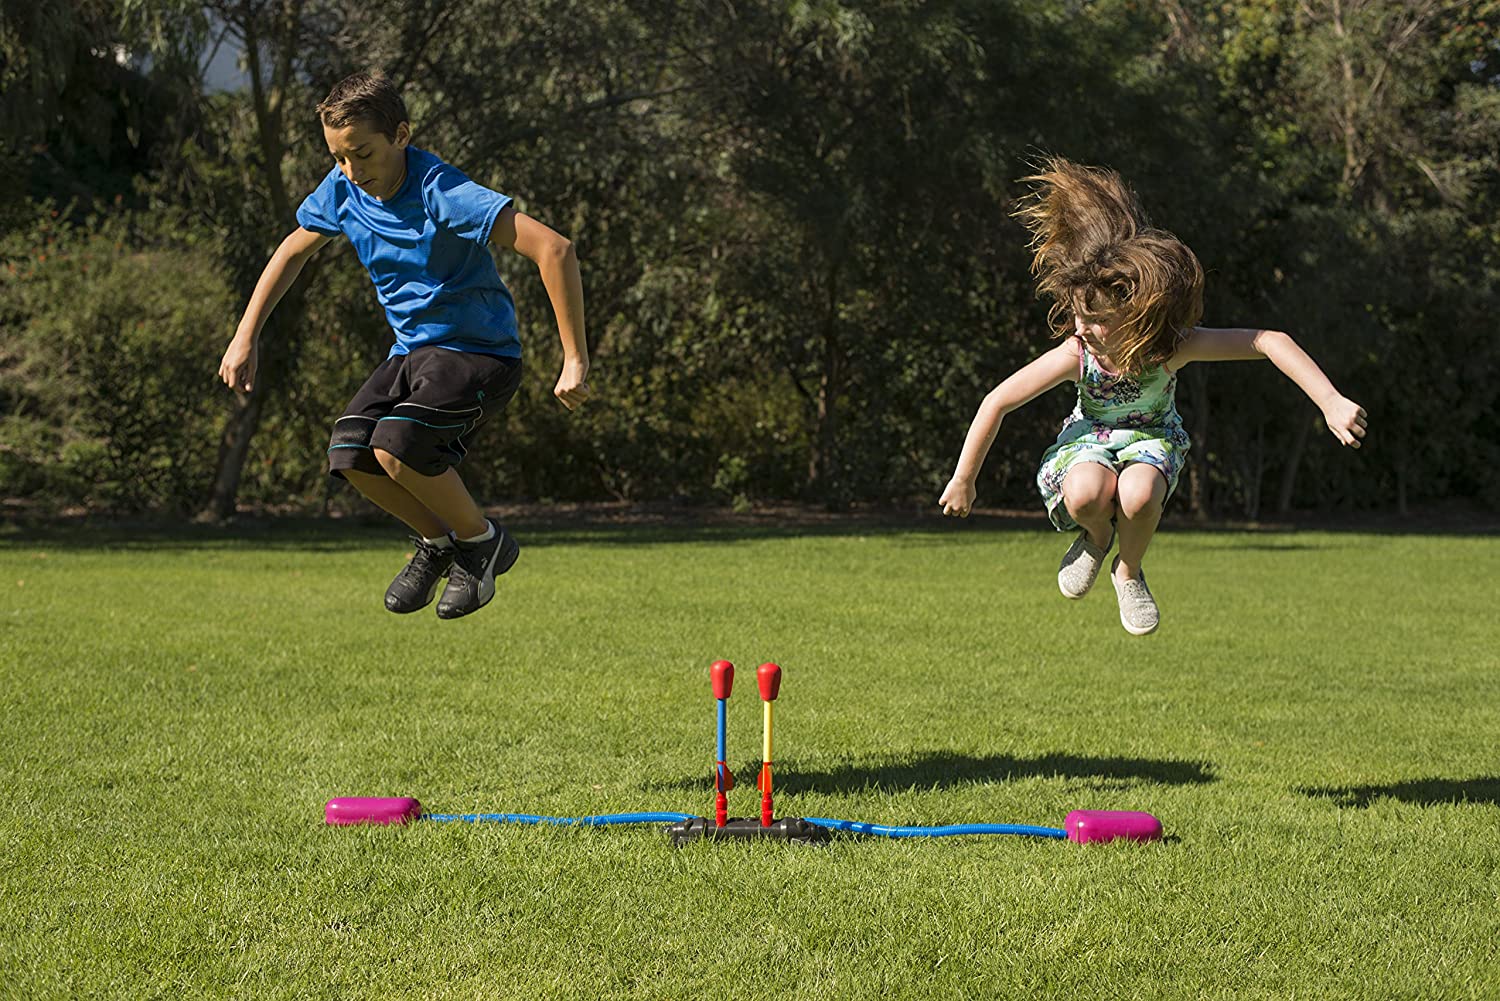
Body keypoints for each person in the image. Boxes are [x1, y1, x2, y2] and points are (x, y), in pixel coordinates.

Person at [938, 157, 1366, 635]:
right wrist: (964, 479)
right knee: (1084, 495)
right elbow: (997, 401)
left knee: (1139, 496)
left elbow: (1269, 340)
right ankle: (1097, 539)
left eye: (1096, 318)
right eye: (1078, 314)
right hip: (1089, 440)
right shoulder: (1076, 354)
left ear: (1133, 312)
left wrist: (1329, 400)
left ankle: (1128, 570)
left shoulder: (1171, 348)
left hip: (1152, 439)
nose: (1083, 327)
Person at [217, 70, 589, 619]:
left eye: (362, 154)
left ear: (401, 135)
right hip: (412, 354)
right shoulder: (343, 190)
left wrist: (574, 358)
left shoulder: (441, 191)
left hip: (480, 353)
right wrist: (245, 335)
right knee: (349, 453)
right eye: (339, 157)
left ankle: (482, 544)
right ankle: (438, 543)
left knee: (399, 444)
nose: (350, 170)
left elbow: (554, 250)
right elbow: (293, 251)